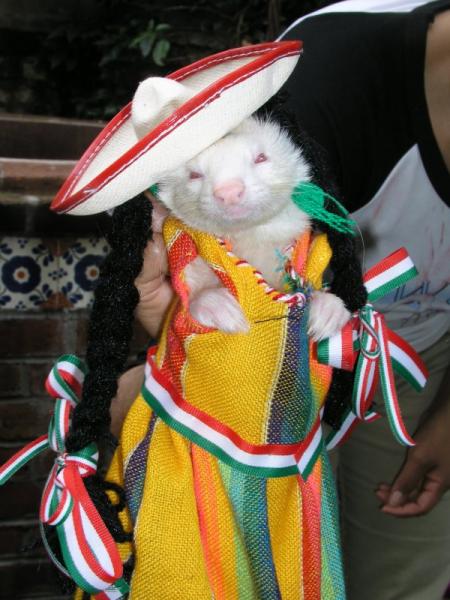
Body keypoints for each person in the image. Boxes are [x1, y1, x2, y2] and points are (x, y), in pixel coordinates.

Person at [119, 1, 450, 598]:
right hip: (258, 374)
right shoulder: (327, 79)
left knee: (399, 565)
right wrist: (175, 342)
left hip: (412, 359)